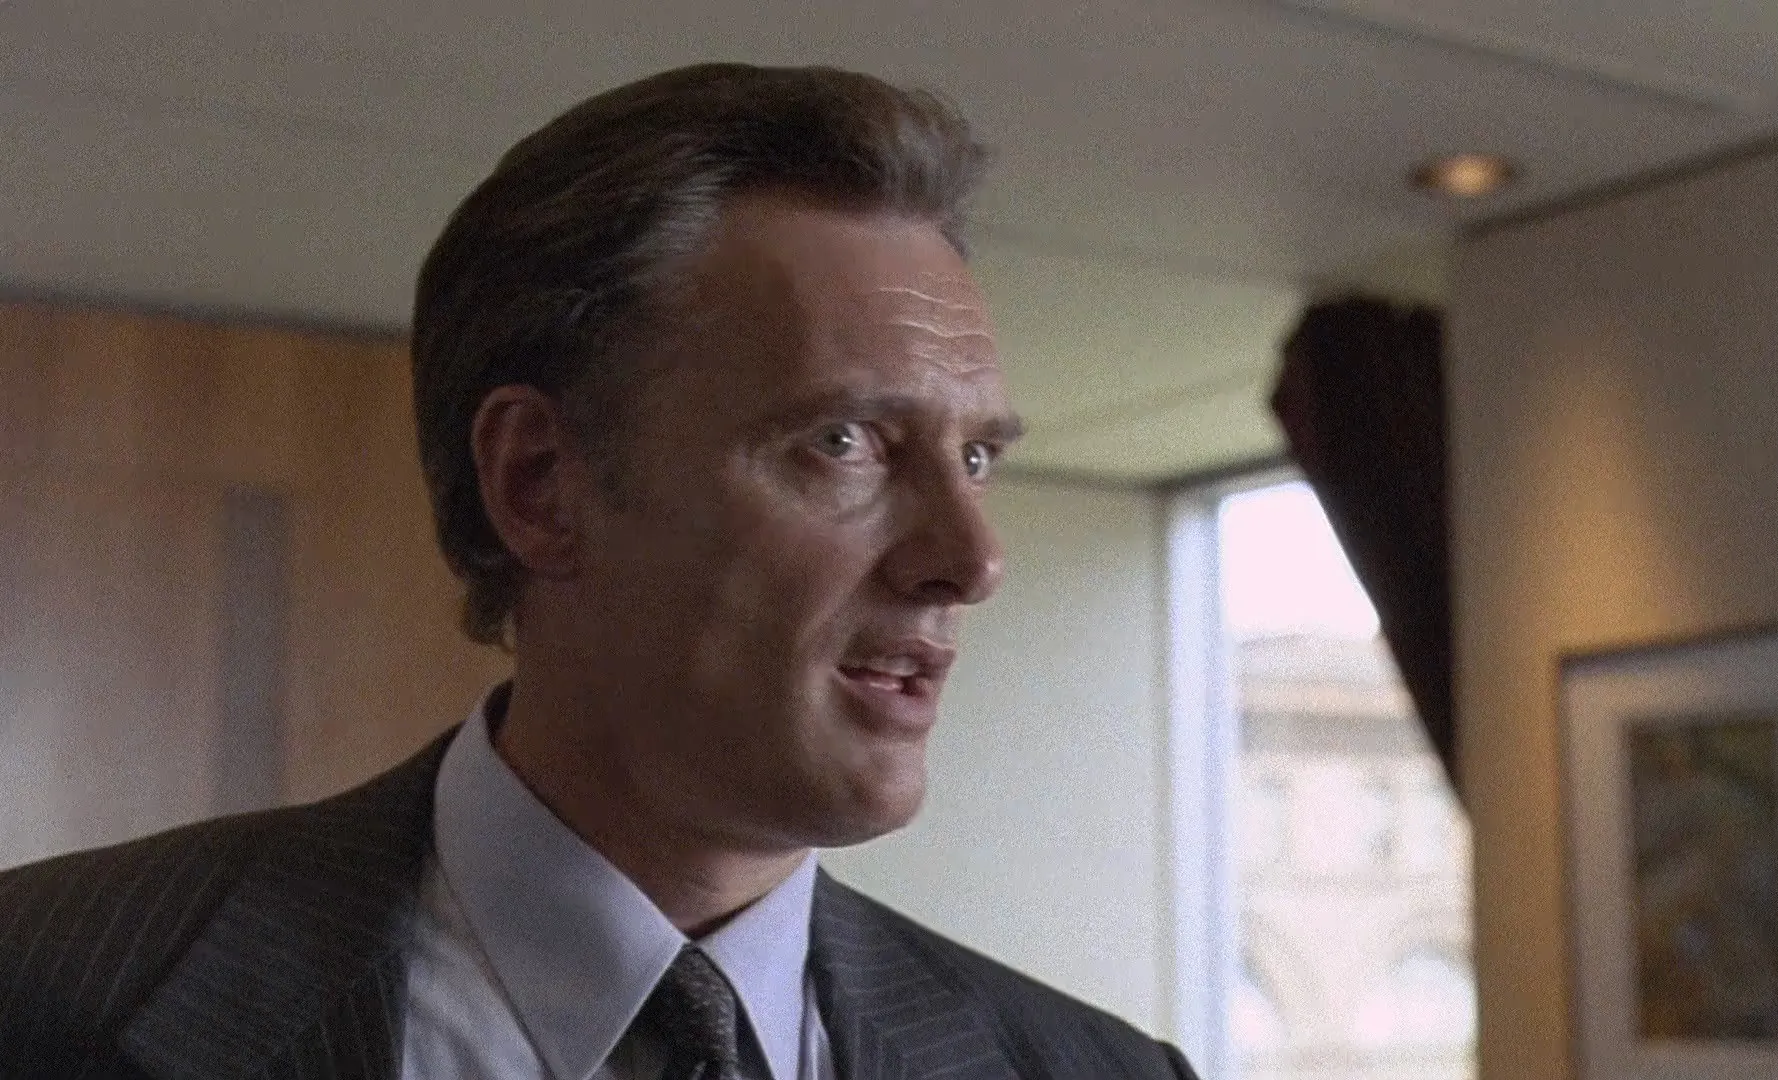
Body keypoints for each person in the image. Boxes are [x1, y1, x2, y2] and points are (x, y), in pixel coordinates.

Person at [0, 63, 1200, 1080]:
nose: (973, 561)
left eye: (978, 457)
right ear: (539, 484)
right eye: (843, 442)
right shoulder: (41, 996)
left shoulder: (1097, 1070)